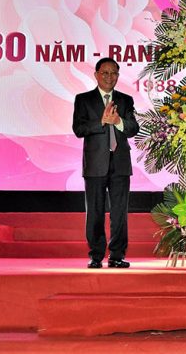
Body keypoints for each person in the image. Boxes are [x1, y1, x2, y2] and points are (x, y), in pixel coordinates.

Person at [72, 58, 139, 269]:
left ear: (118, 76)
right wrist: (101, 121)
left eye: (113, 73)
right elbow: (78, 129)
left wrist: (118, 122)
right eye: (105, 73)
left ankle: (117, 255)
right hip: (95, 163)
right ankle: (96, 255)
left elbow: (133, 128)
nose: (109, 77)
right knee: (95, 212)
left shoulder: (126, 100)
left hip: (120, 163)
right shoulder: (83, 99)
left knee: (119, 213)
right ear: (96, 75)